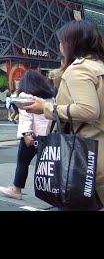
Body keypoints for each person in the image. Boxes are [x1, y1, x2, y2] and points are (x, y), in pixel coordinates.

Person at [24, 20, 104, 205]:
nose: (59, 45)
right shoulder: (99, 66)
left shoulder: (79, 70)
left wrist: (45, 108)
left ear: (72, 43)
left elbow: (87, 109)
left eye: (61, 41)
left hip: (86, 158)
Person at [0, 69, 53, 200]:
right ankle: (53, 192)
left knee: (23, 162)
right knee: (48, 165)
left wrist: (27, 134)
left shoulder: (25, 95)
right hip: (47, 136)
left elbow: (26, 115)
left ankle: (16, 190)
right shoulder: (49, 96)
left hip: (32, 136)